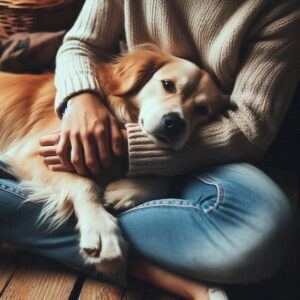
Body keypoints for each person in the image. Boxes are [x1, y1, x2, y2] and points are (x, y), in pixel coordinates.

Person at [0, 1, 299, 299]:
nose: (177, 116)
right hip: (95, 121)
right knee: (78, 193)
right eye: (168, 86)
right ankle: (141, 264)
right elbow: (80, 44)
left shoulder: (283, 9)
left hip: (205, 154)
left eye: (201, 109)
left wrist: (126, 149)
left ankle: (105, 235)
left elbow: (249, 128)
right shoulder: (132, 78)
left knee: (265, 232)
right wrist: (81, 100)